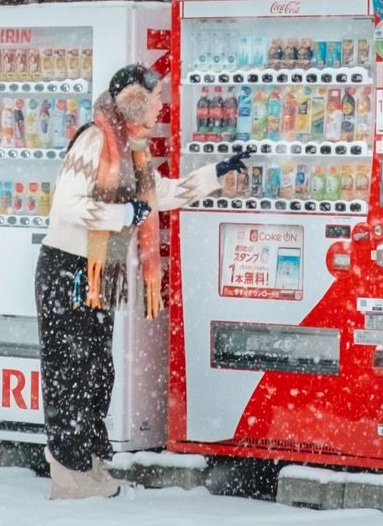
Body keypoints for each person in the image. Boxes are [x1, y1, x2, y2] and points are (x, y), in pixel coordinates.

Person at [35, 62, 246, 500]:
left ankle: (89, 466)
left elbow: (159, 194)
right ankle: (68, 476)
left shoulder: (131, 150)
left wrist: (214, 174)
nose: (161, 104)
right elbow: (66, 204)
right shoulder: (95, 141)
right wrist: (123, 214)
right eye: (155, 97)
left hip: (95, 274)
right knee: (69, 372)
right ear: (133, 100)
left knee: (95, 371)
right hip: (67, 269)